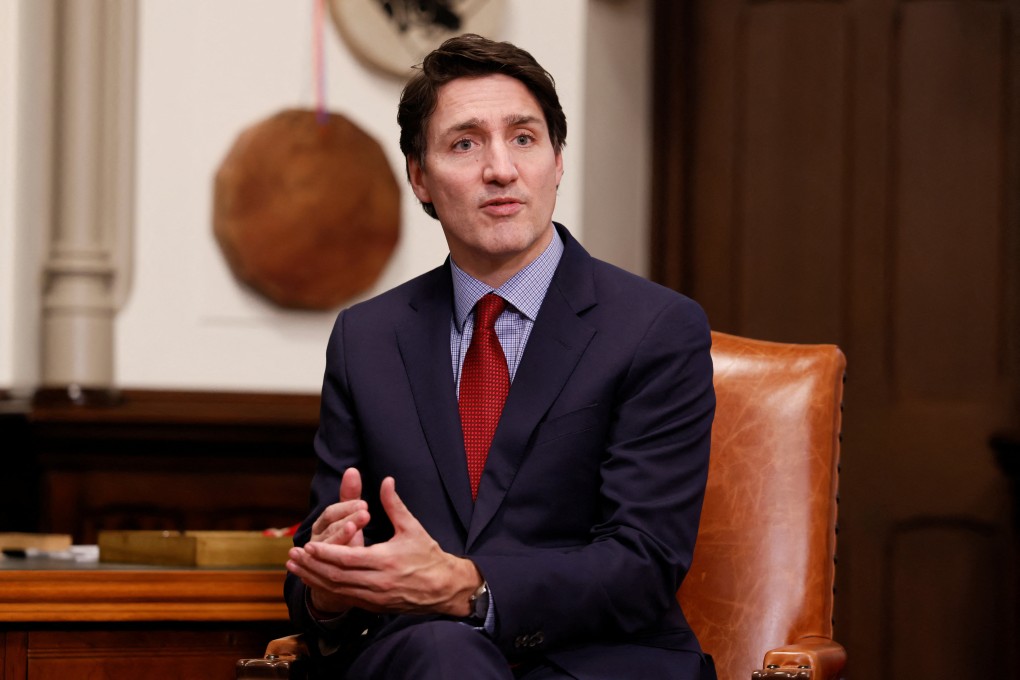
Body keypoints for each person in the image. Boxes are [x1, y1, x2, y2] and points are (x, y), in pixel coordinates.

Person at [284, 33, 716, 679]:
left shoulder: (655, 328)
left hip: (596, 663)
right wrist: (328, 583)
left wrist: (467, 586)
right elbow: (320, 569)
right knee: (439, 651)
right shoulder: (366, 339)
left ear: (558, 159)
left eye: (523, 138)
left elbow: (643, 561)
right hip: (422, 661)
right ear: (420, 178)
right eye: (465, 142)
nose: (501, 169)